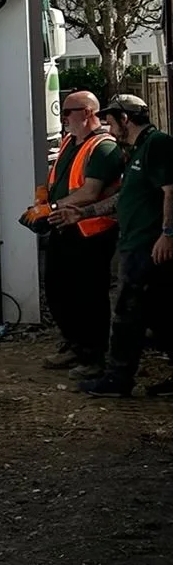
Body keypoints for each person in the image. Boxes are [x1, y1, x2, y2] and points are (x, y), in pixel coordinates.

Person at [70, 95, 173, 397]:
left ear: (125, 119)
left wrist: (168, 234)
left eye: (111, 122)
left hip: (147, 245)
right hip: (136, 243)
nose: (109, 128)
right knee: (158, 313)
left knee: (128, 313)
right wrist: (84, 213)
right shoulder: (137, 149)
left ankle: (118, 378)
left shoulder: (157, 144)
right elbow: (123, 198)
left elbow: (171, 191)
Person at [40, 92, 121, 371]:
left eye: (68, 112)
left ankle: (92, 353)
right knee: (59, 288)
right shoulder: (70, 142)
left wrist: (51, 207)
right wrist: (45, 200)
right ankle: (75, 343)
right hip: (65, 226)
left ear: (87, 112)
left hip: (91, 231)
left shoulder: (103, 147)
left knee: (88, 293)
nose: (63, 118)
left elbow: (90, 192)